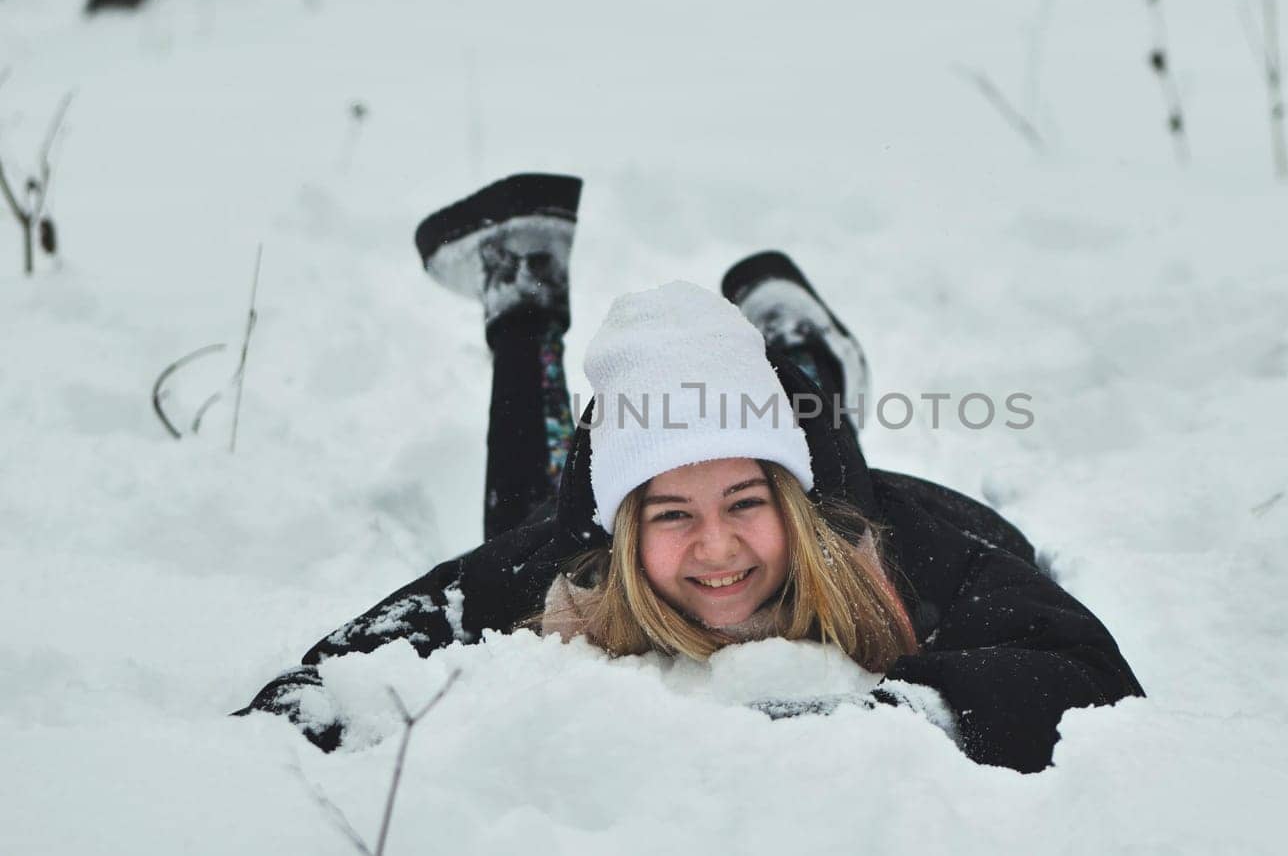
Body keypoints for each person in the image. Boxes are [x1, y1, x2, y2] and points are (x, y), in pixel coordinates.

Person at [236, 173, 1143, 774]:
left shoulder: (916, 554)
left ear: (786, 500)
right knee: (523, 546)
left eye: (747, 503)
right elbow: (328, 682)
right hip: (627, 524)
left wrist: (891, 725)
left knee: (810, 429)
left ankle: (797, 346)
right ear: (621, 530)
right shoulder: (569, 559)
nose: (717, 548)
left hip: (899, 509)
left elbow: (1090, 678)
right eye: (669, 515)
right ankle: (525, 303)